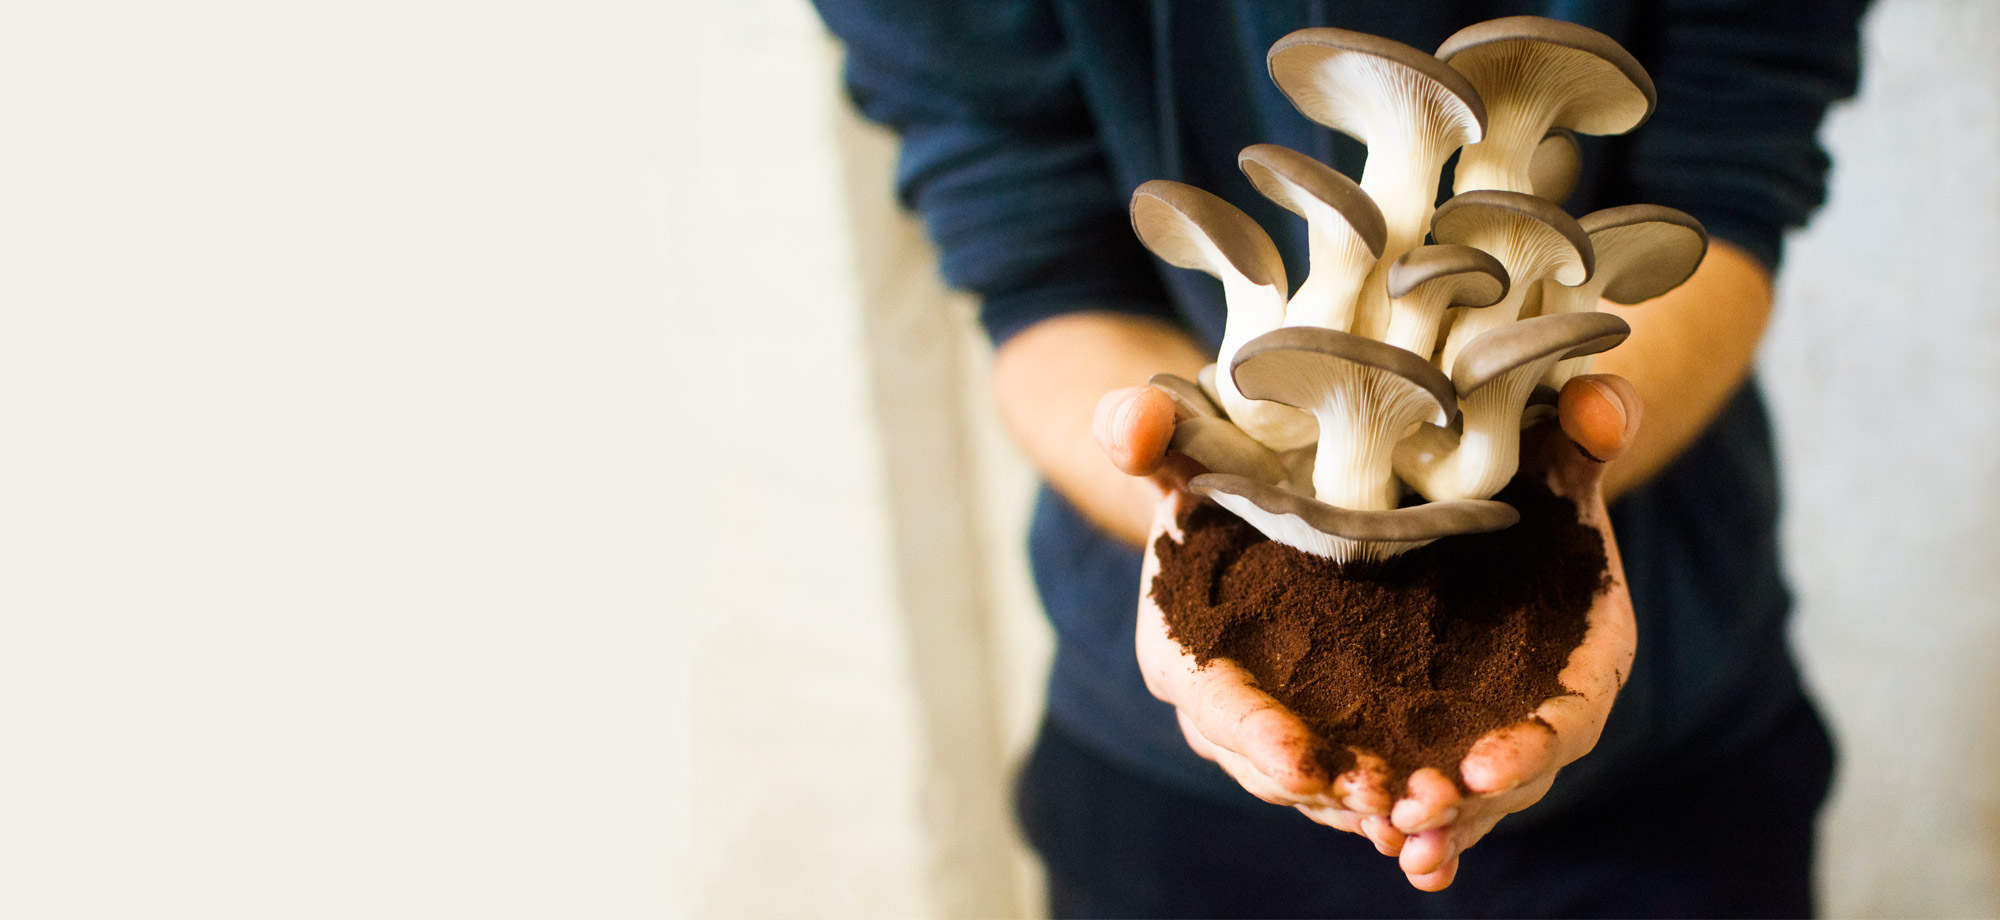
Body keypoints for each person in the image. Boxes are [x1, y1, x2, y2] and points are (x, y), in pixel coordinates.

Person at [812, 2, 1870, 916]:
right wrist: (1203, 502)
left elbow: (1731, 167)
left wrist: (1553, 458)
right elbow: (1027, 245)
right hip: (1170, 824)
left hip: (1665, 795)